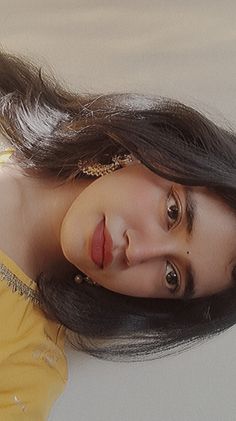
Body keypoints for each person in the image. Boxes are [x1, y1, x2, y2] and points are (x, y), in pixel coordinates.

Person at [0, 50, 235, 419]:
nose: (138, 252)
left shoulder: (23, 372)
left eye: (172, 276)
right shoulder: (7, 94)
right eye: (172, 213)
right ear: (156, 152)